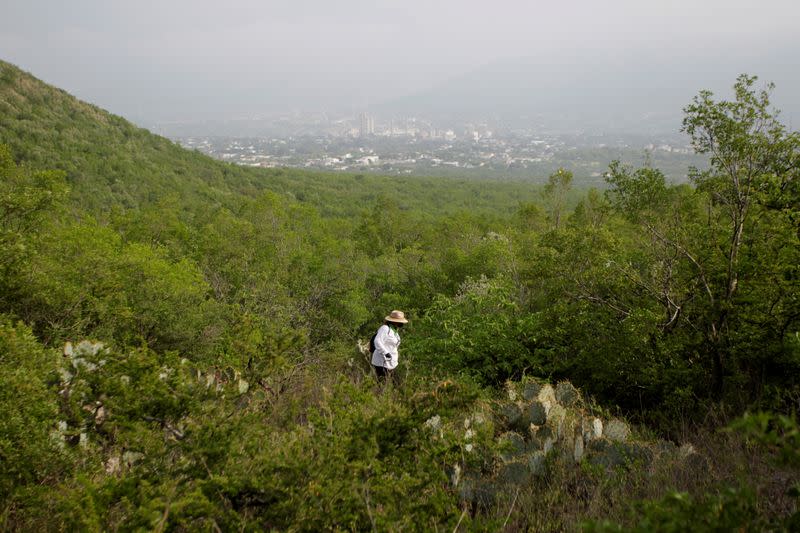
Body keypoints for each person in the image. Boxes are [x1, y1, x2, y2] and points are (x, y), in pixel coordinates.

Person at [371, 310, 408, 383]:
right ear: (394, 321)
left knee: (394, 382)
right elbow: (377, 341)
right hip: (382, 361)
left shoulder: (394, 331)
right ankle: (379, 393)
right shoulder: (385, 328)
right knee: (383, 382)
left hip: (391, 361)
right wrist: (385, 352)